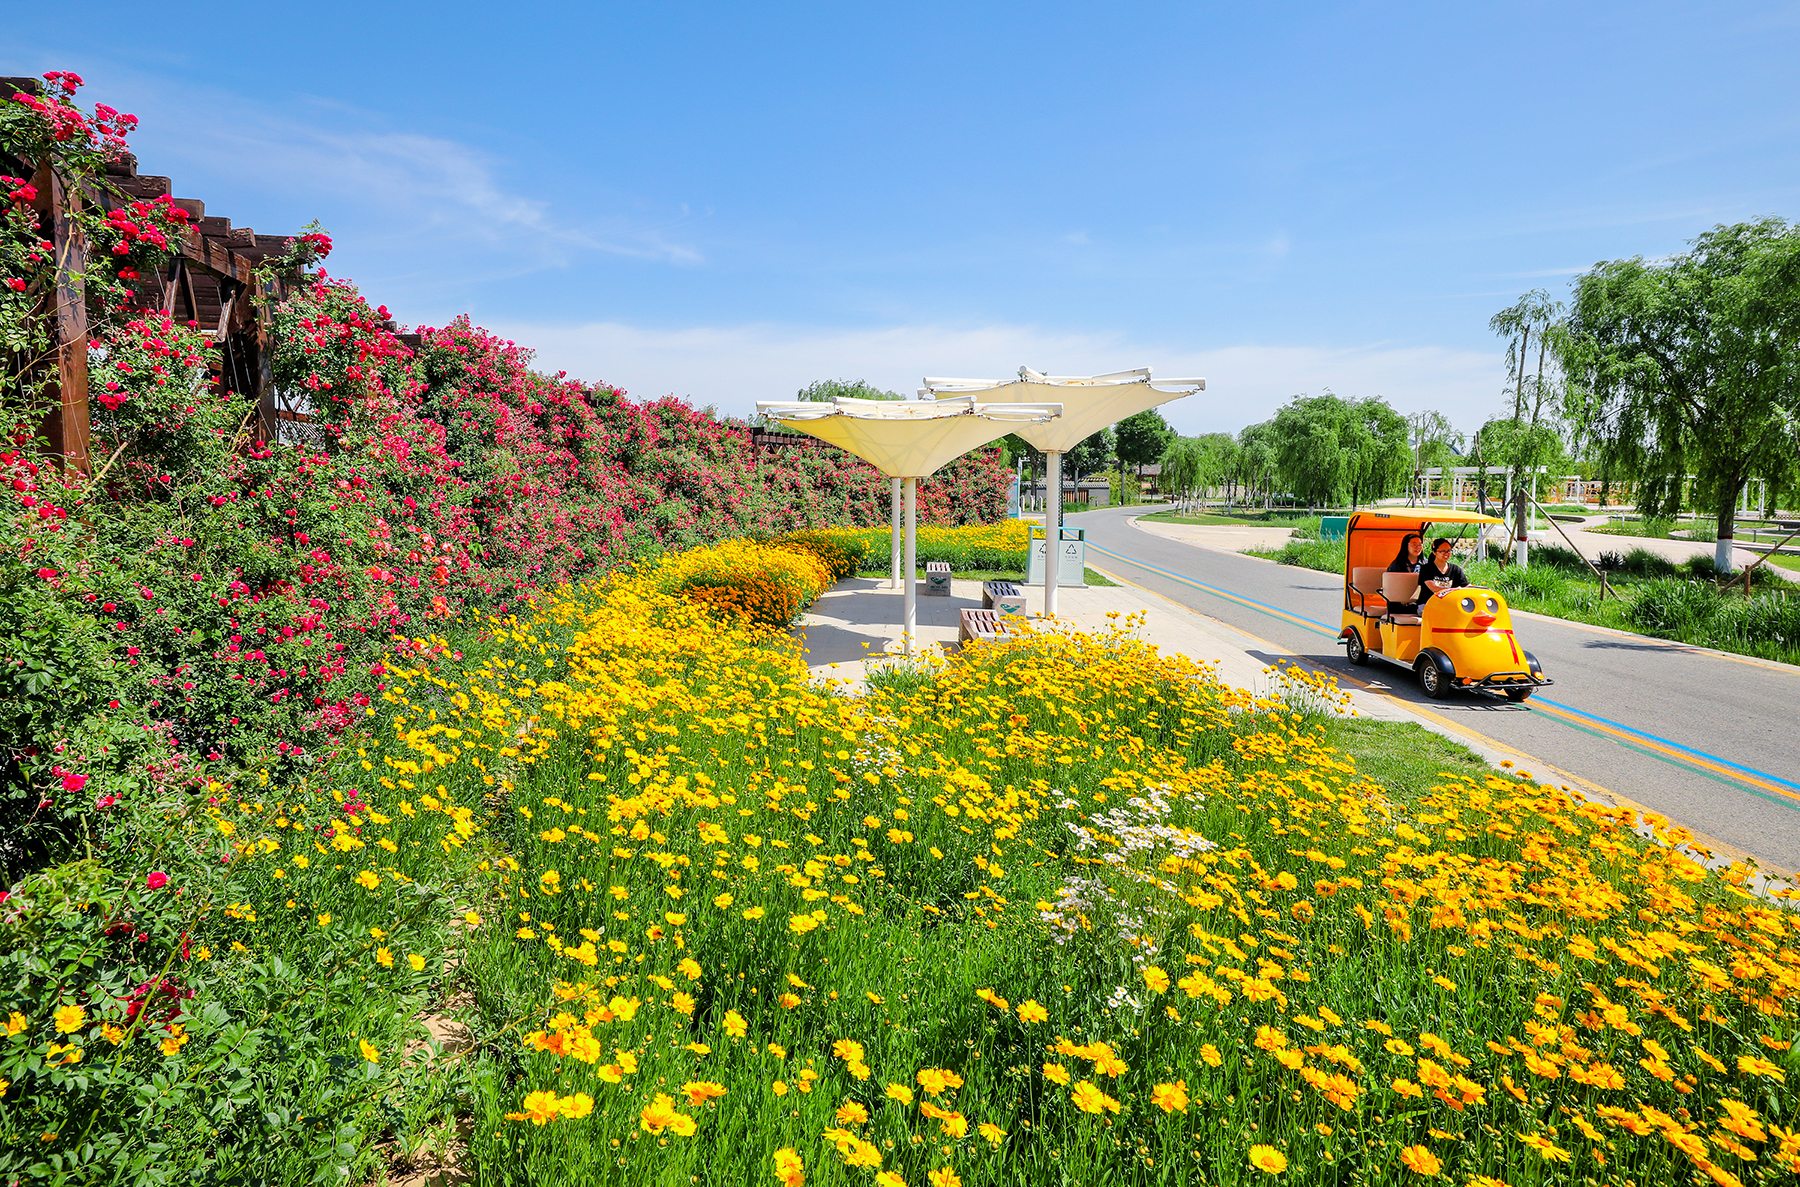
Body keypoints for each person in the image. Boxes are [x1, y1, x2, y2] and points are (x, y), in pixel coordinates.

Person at [1385, 533, 1424, 615]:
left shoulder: (1426, 564)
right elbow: (1390, 586)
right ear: (1406, 546)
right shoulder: (1397, 565)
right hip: (1398, 604)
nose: (1418, 547)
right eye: (1414, 545)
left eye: (1420, 544)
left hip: (1420, 602)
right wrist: (1401, 597)